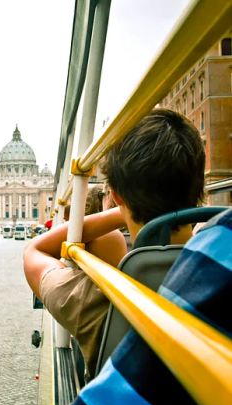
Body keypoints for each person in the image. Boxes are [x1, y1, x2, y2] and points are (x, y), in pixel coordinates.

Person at [7, 208, 232, 405]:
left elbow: (35, 251)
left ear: (116, 197)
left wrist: (122, 211)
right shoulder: (220, 249)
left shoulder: (90, 303)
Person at [24, 109, 205, 377]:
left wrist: (129, 204)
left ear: (117, 196)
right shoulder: (218, 256)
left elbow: (34, 250)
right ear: (200, 187)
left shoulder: (98, 302)